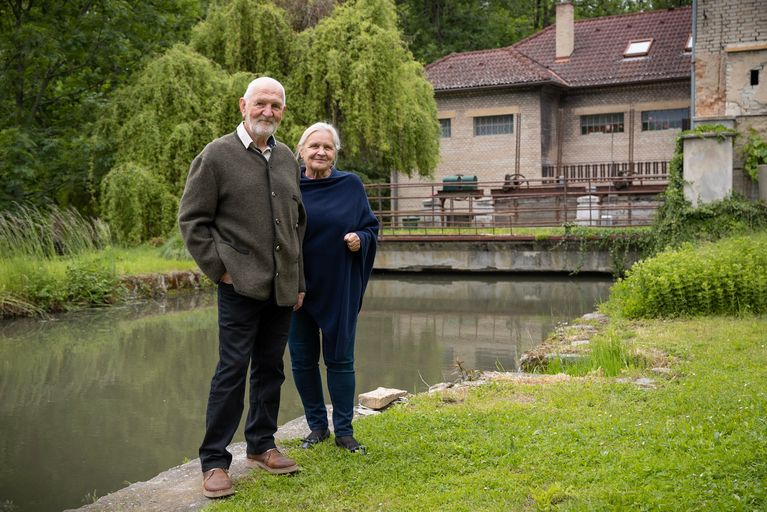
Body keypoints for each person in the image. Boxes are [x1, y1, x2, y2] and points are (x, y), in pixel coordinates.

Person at [178, 76, 306, 499]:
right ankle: (214, 461)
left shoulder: (288, 157)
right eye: (260, 103)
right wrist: (222, 270)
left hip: (282, 288)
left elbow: (296, 224)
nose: (267, 112)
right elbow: (193, 221)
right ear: (243, 105)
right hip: (239, 287)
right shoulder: (216, 156)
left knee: (271, 368)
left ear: (283, 111)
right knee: (231, 371)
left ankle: (261, 445)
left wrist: (298, 279)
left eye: (276, 105)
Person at [288, 122, 378, 454]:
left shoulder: (350, 185)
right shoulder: (289, 185)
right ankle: (316, 427)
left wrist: (360, 239)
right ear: (301, 150)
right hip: (298, 288)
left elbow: (371, 226)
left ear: (336, 153)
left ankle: (344, 431)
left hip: (339, 286)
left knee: (340, 360)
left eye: (328, 147)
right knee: (302, 360)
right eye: (314, 146)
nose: (321, 152)